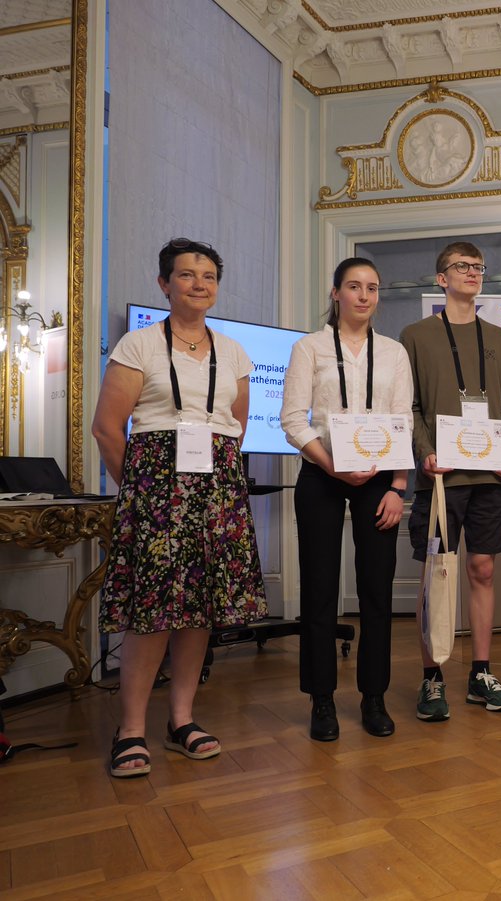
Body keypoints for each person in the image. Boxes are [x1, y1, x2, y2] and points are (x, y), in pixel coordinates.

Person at [91, 237, 267, 777]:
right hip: (156, 492)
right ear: (165, 283)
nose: (199, 284)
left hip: (217, 490)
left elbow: (231, 428)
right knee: (153, 614)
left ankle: (182, 720)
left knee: (202, 610)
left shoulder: (233, 352)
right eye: (187, 275)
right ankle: (131, 729)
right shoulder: (138, 345)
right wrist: (144, 493)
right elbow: (106, 428)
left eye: (208, 275)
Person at [280, 257, 412, 741]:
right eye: (353, 286)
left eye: (372, 288)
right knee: (319, 588)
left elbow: (403, 419)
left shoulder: (395, 352)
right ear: (335, 293)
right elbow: (294, 420)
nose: (363, 296)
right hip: (322, 472)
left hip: (380, 479)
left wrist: (398, 486)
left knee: (377, 590)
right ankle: (321, 700)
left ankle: (374, 697)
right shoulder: (308, 347)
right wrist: (332, 465)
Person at [400, 241, 501, 721]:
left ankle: (480, 674)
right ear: (441, 278)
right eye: (461, 267)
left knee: (484, 570)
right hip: (440, 478)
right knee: (436, 576)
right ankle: (432, 678)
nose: (472, 273)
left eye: (478, 267)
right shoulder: (415, 335)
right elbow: (407, 406)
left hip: (490, 476)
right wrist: (425, 452)